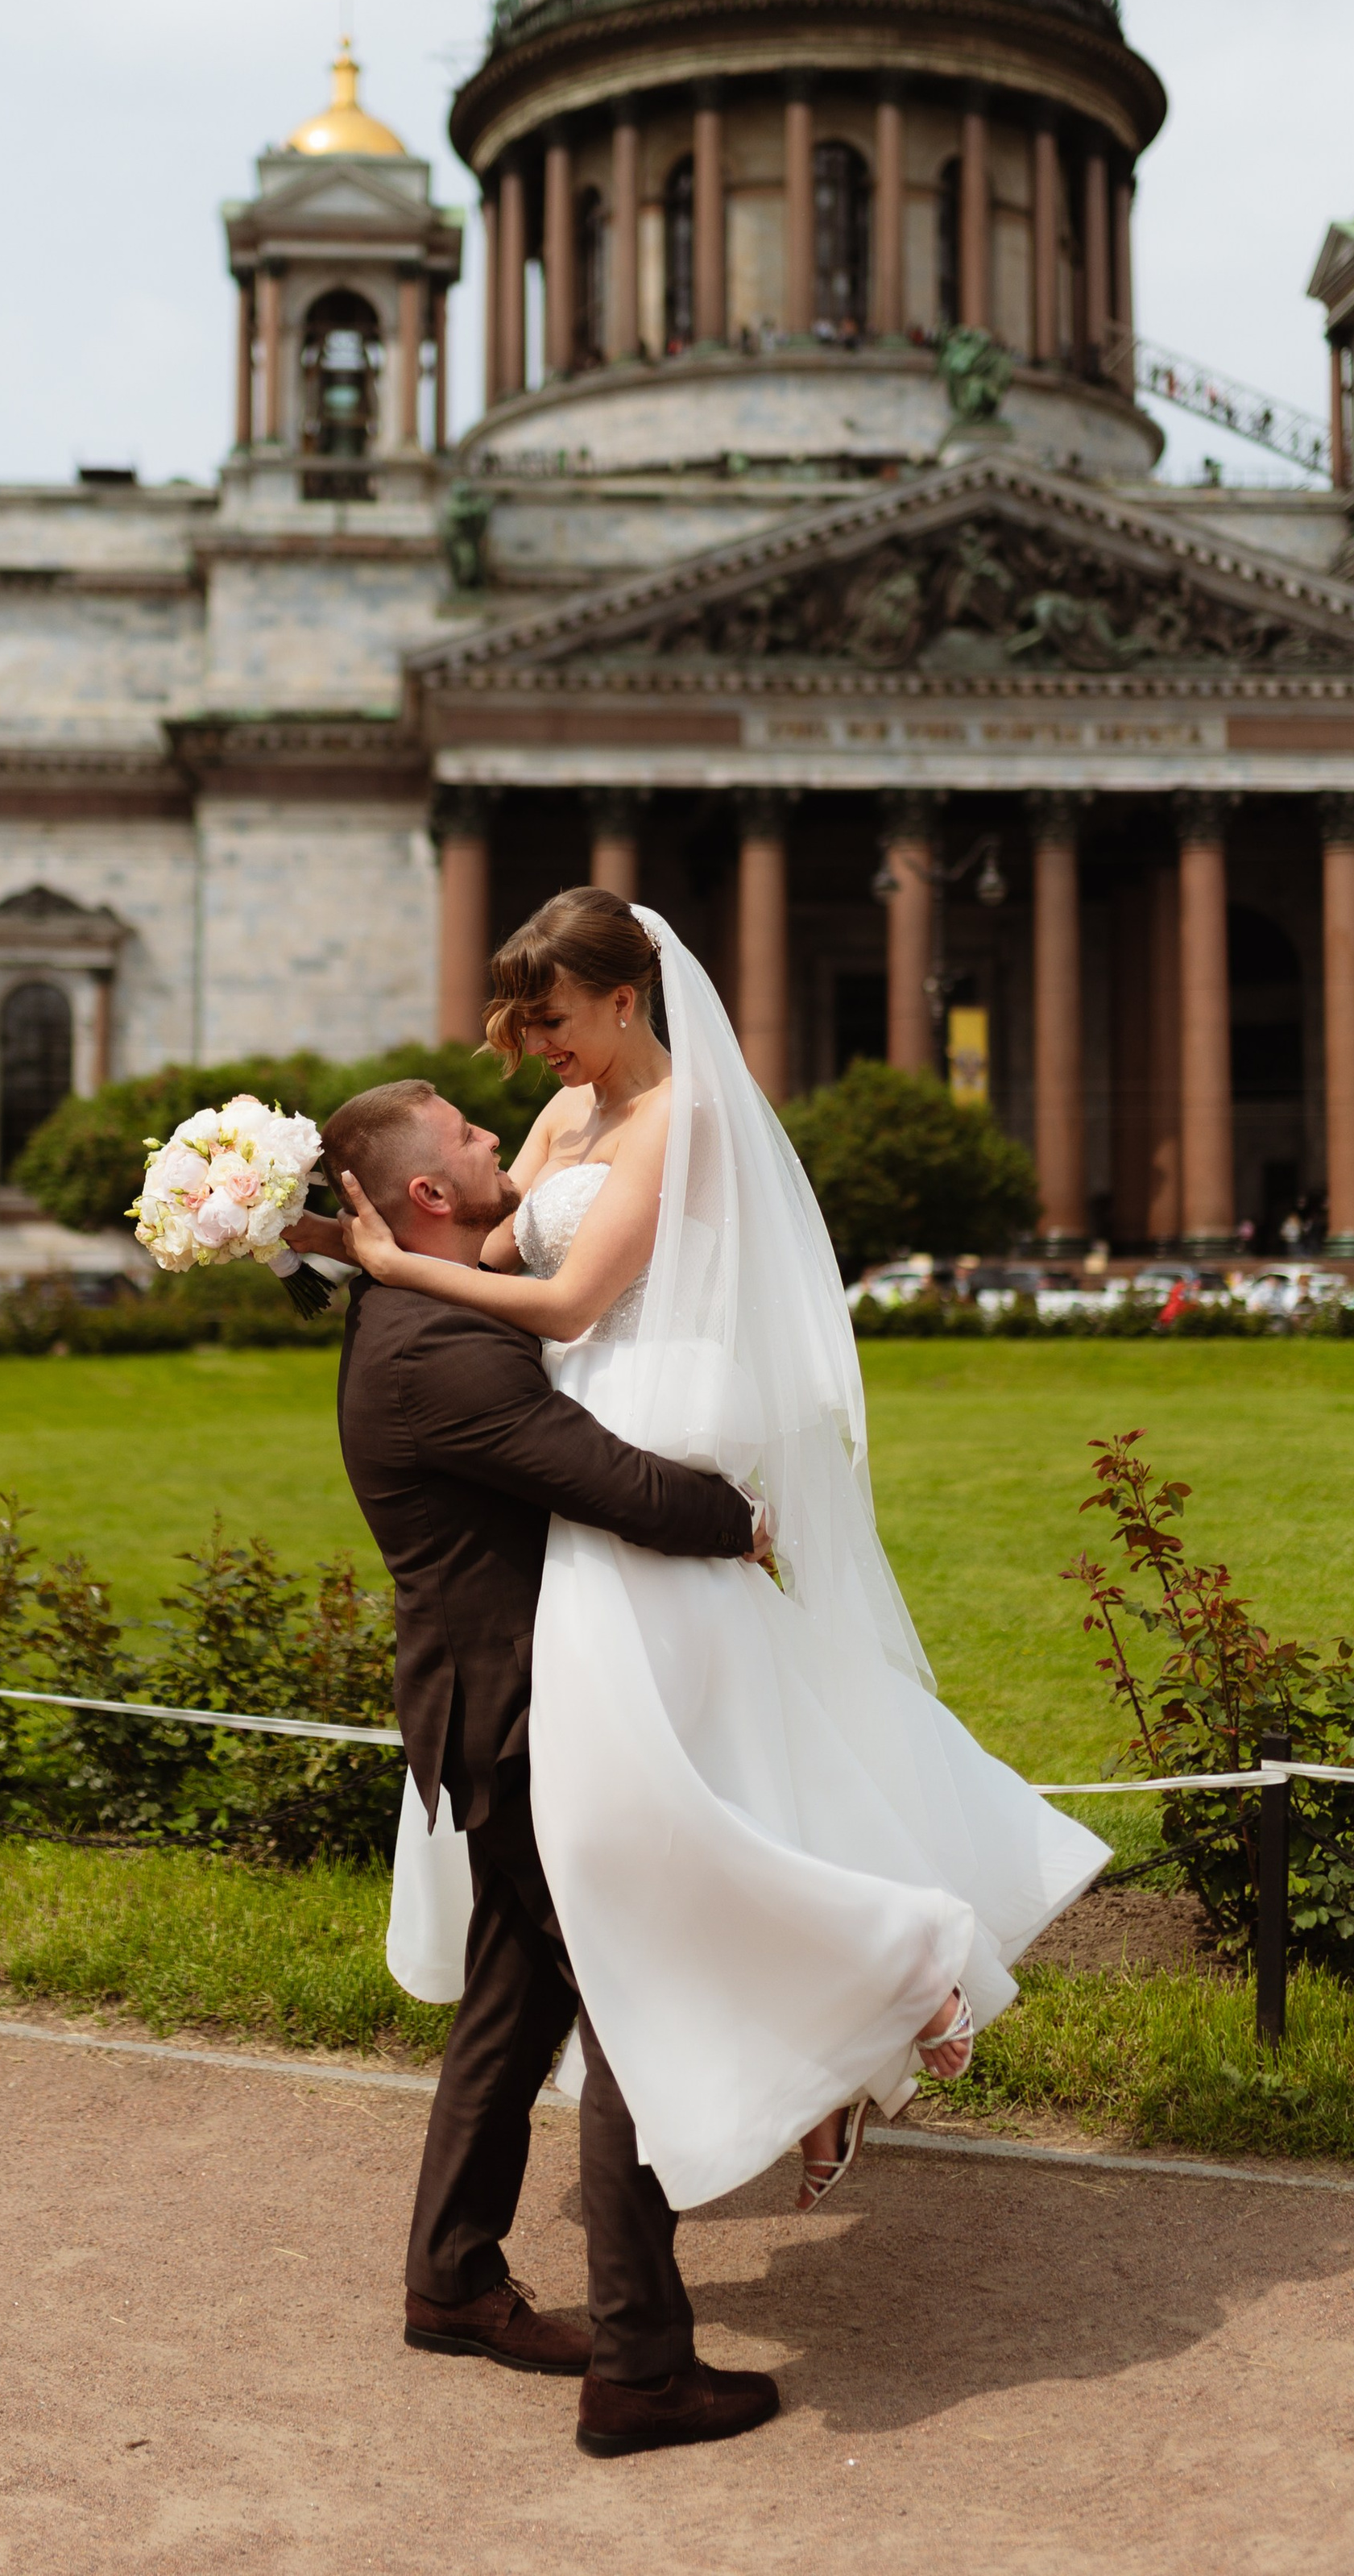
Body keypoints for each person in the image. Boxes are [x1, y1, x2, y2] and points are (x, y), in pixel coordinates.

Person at [327, 891, 1105, 2242]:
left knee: (649, 1788)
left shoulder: (685, 1117)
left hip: (633, 1435)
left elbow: (566, 1302)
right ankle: (826, 2057)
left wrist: (398, 1267)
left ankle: (885, 1977)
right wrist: (364, 1244)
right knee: (681, 1781)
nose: (536, 1050)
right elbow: (494, 1243)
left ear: (627, 999)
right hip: (569, 1443)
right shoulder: (566, 1118)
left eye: (554, 1018)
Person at [316, 1073, 781, 2462]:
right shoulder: (438, 1348)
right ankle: (641, 2367)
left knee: (516, 1999)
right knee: (631, 1998)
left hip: (487, 1704)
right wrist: (743, 1519)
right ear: (429, 1199)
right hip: (515, 1720)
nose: (496, 1133)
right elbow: (610, 1481)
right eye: (468, 1133)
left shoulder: (412, 1310)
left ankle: (451, 2278)